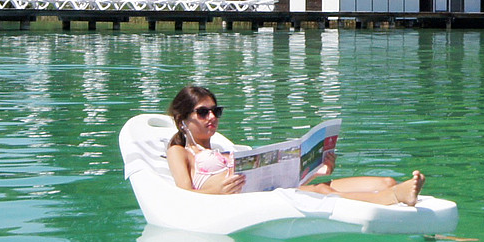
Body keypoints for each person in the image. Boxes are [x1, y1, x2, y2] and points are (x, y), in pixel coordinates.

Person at [164, 86, 424, 206]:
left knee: (385, 180)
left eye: (216, 111)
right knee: (322, 192)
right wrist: (216, 191)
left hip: (278, 187)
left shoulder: (221, 150)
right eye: (203, 112)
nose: (212, 118)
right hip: (255, 200)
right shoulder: (180, 151)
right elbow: (183, 195)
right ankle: (392, 198)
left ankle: (391, 189)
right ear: (183, 118)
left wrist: (317, 166)